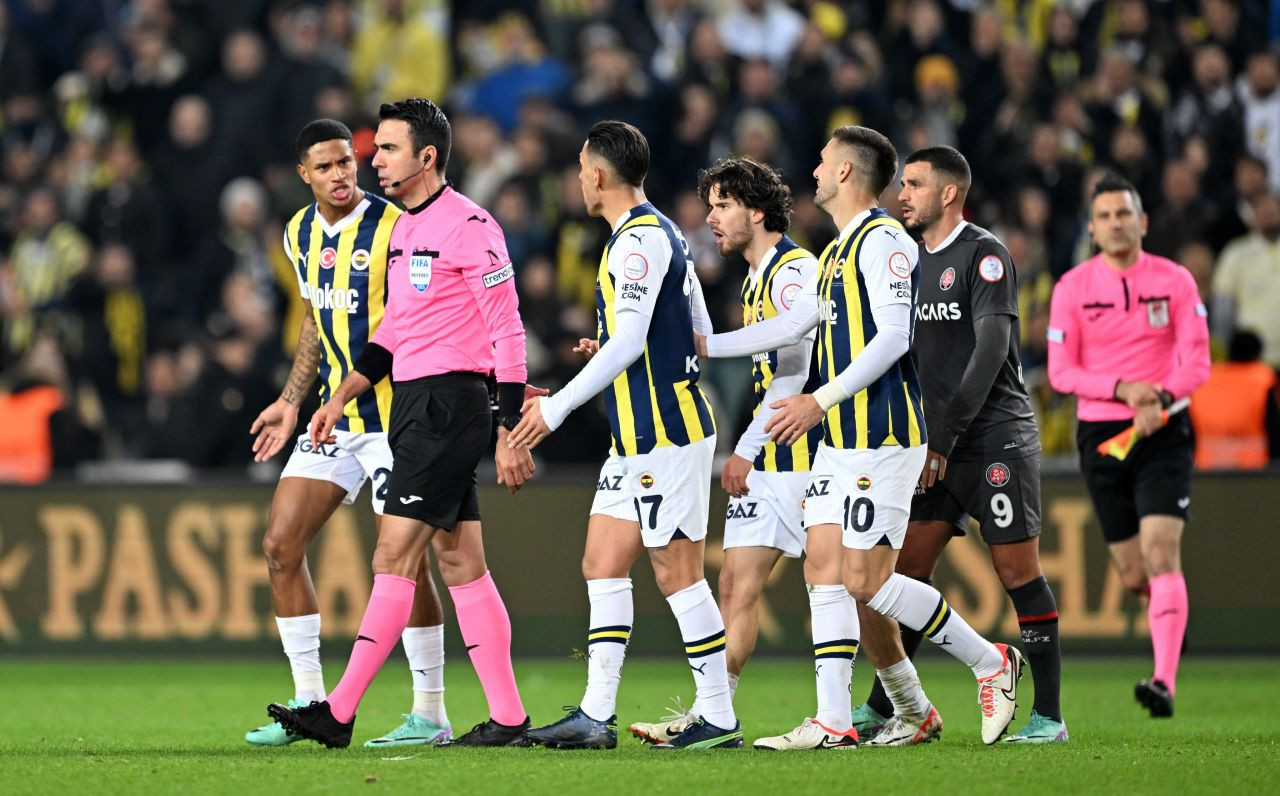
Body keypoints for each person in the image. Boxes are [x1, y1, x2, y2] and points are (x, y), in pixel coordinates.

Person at [697, 126, 1024, 746]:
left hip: (883, 436)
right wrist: (701, 345)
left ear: (846, 172)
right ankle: (834, 721)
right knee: (824, 573)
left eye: (822, 162)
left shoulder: (884, 243)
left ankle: (990, 661)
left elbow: (896, 336)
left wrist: (819, 399)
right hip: (839, 444)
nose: (814, 172)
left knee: (867, 583)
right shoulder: (835, 253)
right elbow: (793, 325)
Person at [267, 98, 536, 748]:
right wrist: (338, 397)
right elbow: (392, 333)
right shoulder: (408, 230)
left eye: (386, 148)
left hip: (450, 406)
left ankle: (338, 711)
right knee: (460, 560)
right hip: (415, 404)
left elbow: (507, 327)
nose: (372, 159)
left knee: (392, 552)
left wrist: (508, 425)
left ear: (426, 157)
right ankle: (508, 718)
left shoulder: (471, 226)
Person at [508, 121, 741, 751]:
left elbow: (641, 338)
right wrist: (615, 342)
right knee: (601, 561)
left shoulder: (635, 243)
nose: (578, 178)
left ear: (601, 175)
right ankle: (594, 715)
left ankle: (718, 715)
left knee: (677, 574)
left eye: (582, 167)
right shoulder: (658, 232)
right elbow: (687, 327)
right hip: (635, 438)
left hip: (666, 432)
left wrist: (556, 406)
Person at [627, 156, 861, 750]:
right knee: (734, 584)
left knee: (860, 590)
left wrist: (744, 444)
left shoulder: (793, 269)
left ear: (757, 212)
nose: (712, 218)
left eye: (723, 206)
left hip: (810, 454)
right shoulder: (755, 277)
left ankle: (915, 695)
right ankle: (716, 714)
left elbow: (798, 360)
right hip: (772, 459)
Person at [244, 119, 452, 749]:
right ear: (303, 175)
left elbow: (415, 321)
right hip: (334, 418)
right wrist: (289, 400)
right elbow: (316, 317)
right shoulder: (298, 233)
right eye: (326, 167)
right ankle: (309, 702)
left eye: (347, 163)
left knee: (403, 563)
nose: (341, 175)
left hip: (395, 414)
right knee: (280, 545)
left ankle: (430, 712)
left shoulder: (394, 226)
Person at [849, 146, 1067, 746]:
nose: (902, 195)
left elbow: (990, 352)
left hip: (994, 436)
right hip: (931, 445)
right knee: (906, 569)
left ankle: (1049, 716)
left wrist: (941, 439)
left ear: (948, 193)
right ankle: (885, 702)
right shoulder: (907, 263)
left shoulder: (984, 254)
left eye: (914, 184)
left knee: (1017, 571)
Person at [1048, 173, 1210, 718]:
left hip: (1164, 429)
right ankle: (1170, 617)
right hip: (1102, 434)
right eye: (1105, 217)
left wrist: (1158, 398)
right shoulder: (1072, 288)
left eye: (1125, 214)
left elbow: (1198, 362)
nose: (1116, 224)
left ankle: (1163, 680)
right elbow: (1061, 371)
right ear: (1092, 230)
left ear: (1142, 222)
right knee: (1135, 573)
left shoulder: (1177, 280)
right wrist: (1123, 390)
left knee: (1163, 552)